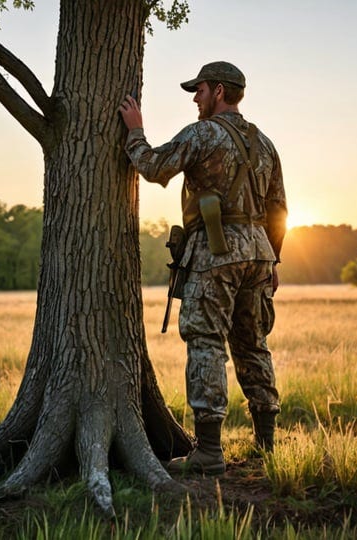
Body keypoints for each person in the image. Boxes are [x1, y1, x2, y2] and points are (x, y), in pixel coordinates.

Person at [119, 61, 287, 475]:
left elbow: (155, 168)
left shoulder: (203, 133)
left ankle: (209, 451)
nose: (196, 98)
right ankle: (267, 446)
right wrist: (272, 258)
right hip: (259, 254)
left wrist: (135, 131)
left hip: (215, 252)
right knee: (253, 343)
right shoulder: (264, 142)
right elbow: (278, 207)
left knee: (206, 341)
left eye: (200, 90)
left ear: (219, 91)